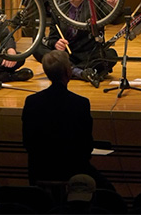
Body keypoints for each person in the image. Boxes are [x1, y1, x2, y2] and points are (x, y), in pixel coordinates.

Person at [22, 50, 113, 190]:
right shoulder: (80, 103)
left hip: (39, 170)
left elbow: (28, 142)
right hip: (74, 170)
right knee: (108, 192)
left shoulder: (31, 101)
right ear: (68, 72)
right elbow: (86, 146)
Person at [38, 0, 117, 88]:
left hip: (89, 54)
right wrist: (56, 43)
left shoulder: (94, 2)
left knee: (111, 55)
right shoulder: (58, 9)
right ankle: (82, 72)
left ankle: (71, 70)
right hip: (68, 54)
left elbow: (111, 17)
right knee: (38, 49)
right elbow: (53, 37)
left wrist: (113, 6)